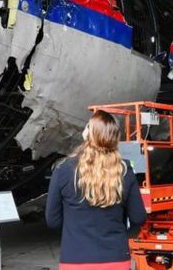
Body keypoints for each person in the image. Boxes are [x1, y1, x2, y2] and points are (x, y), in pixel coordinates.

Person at [45, 110, 147, 270]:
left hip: (75, 259)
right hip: (115, 258)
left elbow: (53, 220)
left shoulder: (63, 169)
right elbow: (138, 217)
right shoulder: (124, 170)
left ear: (87, 134)